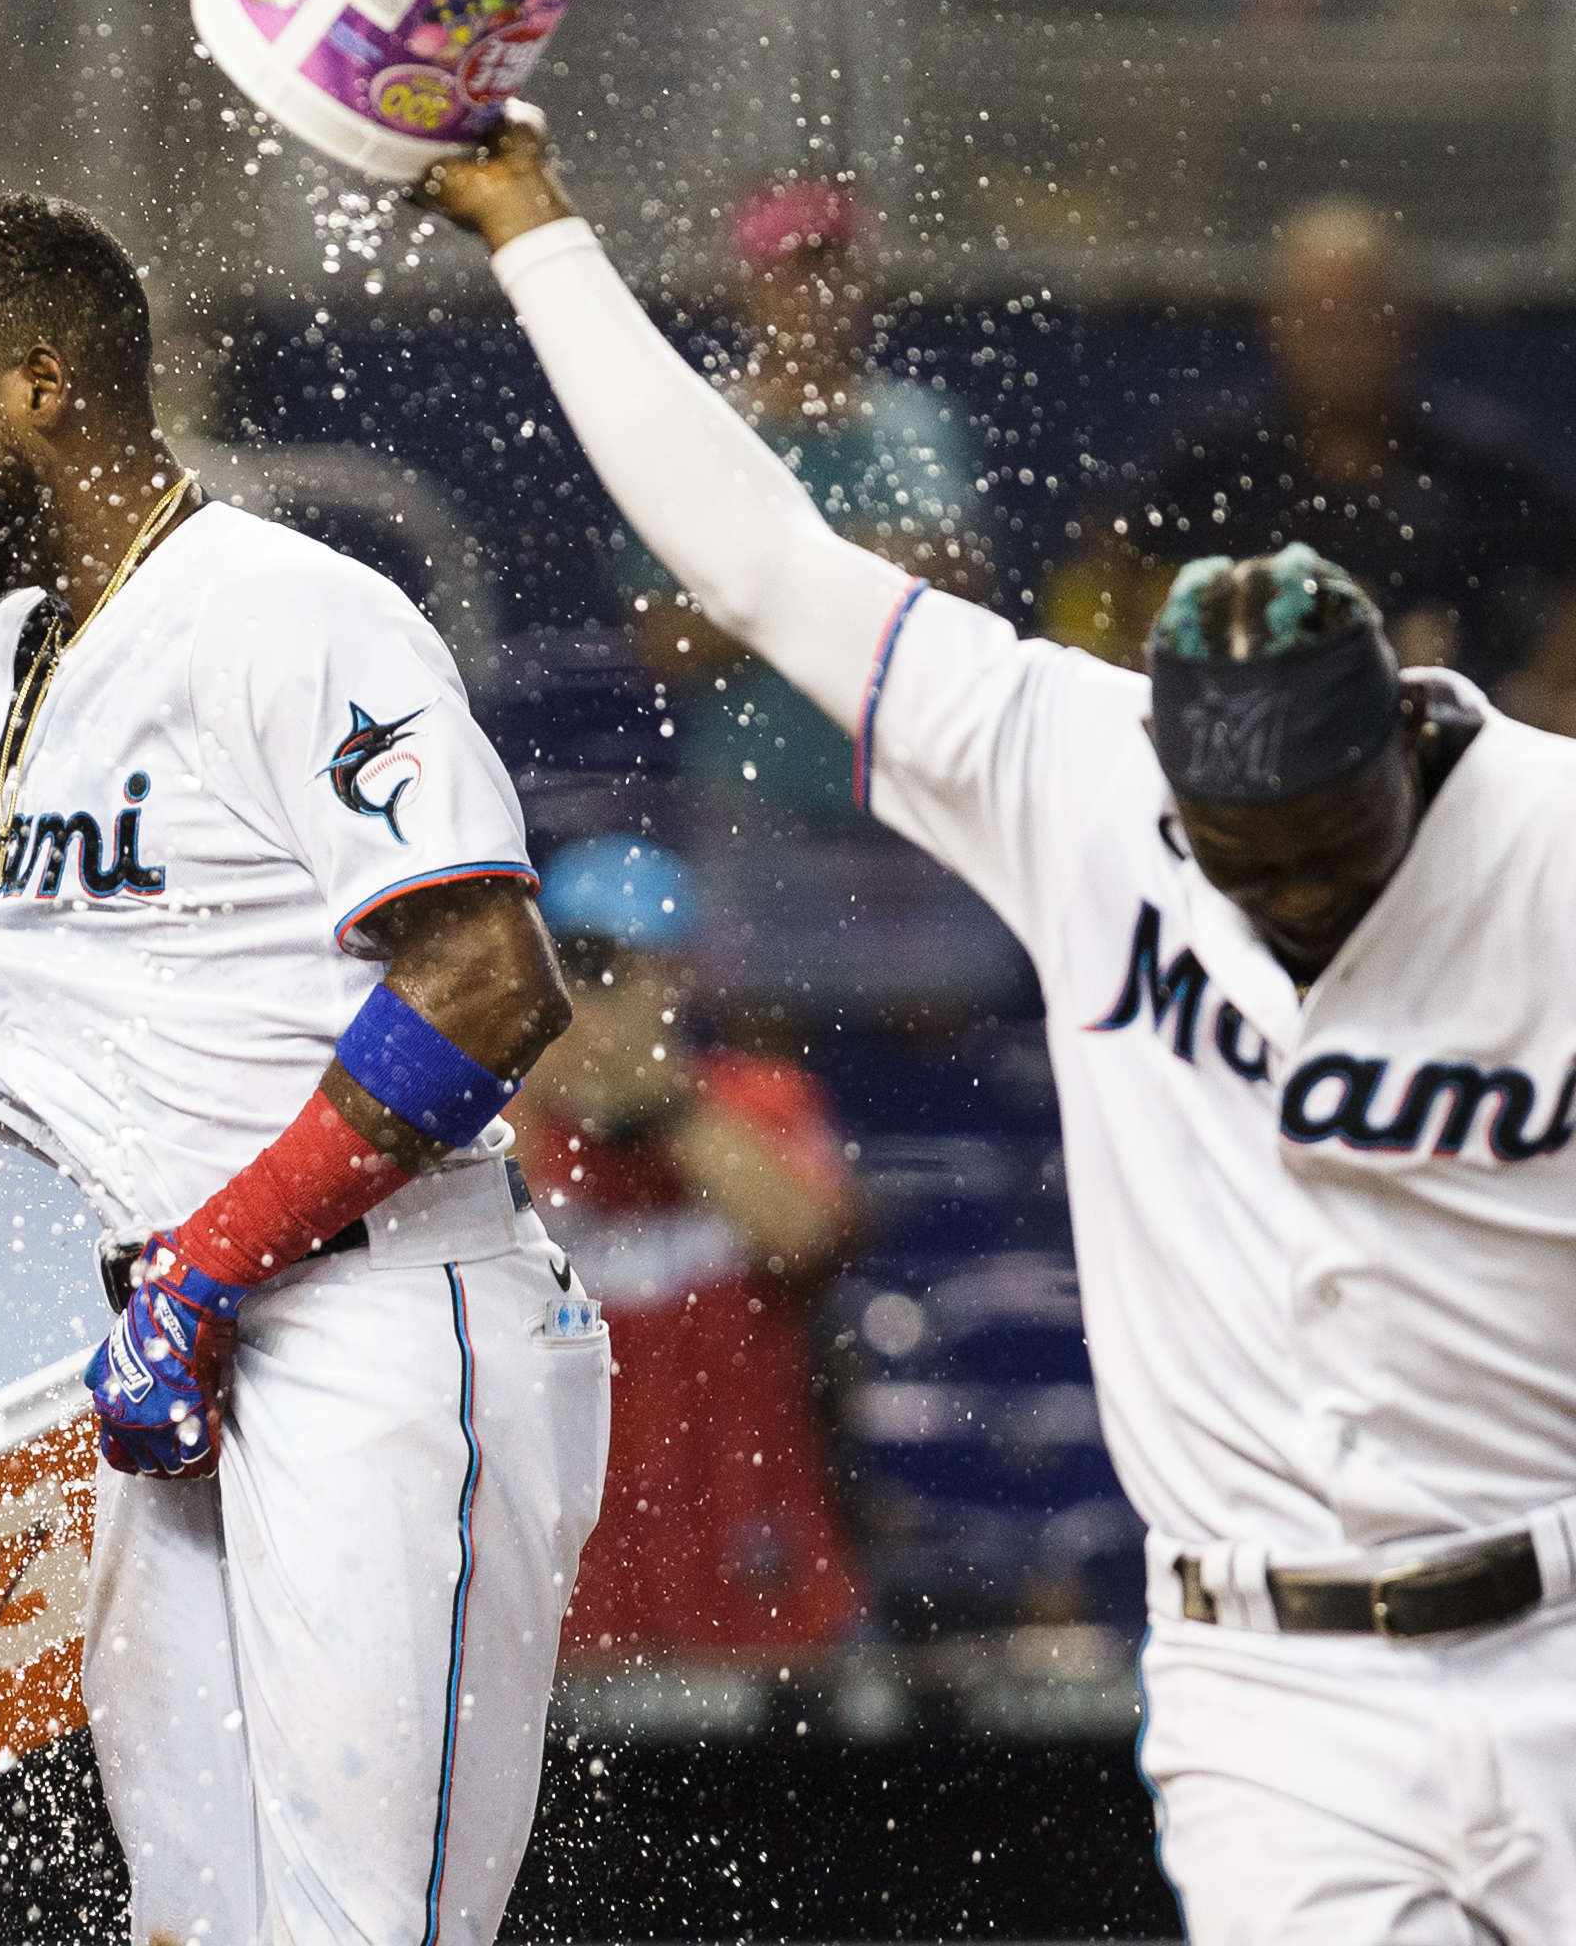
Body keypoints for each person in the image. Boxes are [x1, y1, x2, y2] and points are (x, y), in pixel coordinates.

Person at [429, 111, 1576, 1944]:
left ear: (1411, 743)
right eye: (1235, 848)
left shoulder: (1547, 843)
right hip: (1273, 1695)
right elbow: (761, 552)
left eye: (1317, 845)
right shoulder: (1076, 767)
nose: (1275, 887)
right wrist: (534, 230)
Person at [0, 194, 612, 1946]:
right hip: (176, 1329)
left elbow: (485, 979)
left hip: (368, 1312)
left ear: (42, 381)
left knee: (349, 1928)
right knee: (194, 1923)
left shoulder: (294, 613)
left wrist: (217, 1264)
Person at [508, 838, 865, 1655]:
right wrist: (546, 1080)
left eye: (621, 972)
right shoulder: (502, 1124)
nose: (598, 1004)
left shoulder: (758, 1101)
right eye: (574, 971)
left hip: (762, 1596)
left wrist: (660, 1104)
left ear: (677, 978)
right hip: (570, 1612)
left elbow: (805, 1235)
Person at [1042, 195, 1576, 692]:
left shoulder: (1486, 461)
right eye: (1322, 319)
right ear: (1275, 323)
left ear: (1409, 322)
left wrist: (1537, 693)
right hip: (1247, 738)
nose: (1344, 345)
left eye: (1364, 316)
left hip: (1442, 747)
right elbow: (1110, 549)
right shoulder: (1213, 452)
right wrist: (1164, 674)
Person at [628, 181, 978, 827]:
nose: (814, 302)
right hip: (756, 808)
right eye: (790, 278)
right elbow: (668, 644)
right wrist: (856, 569)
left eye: (834, 277)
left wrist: (758, 588)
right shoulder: (696, 432)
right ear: (748, 288)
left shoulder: (917, 423)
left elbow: (955, 596)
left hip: (920, 804)